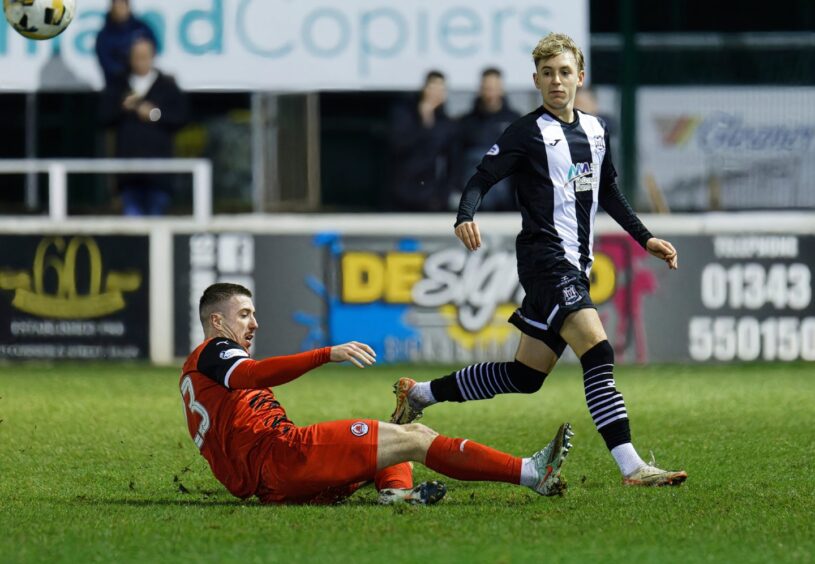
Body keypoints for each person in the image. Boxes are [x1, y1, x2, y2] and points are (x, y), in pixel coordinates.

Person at [389, 33, 688, 487]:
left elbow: (607, 191)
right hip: (545, 261)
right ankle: (632, 467)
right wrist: (464, 214)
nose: (556, 81)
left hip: (576, 266)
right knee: (599, 349)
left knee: (525, 375)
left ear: (580, 77)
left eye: (565, 72)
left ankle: (421, 394)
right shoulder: (526, 132)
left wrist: (645, 238)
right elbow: (481, 177)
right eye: (547, 73)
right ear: (535, 80)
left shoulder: (597, 130)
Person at [180, 283, 575, 505]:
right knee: (417, 439)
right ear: (217, 321)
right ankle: (530, 472)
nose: (255, 322)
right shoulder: (214, 352)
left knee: (393, 440)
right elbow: (251, 374)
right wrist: (325, 353)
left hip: (273, 479)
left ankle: (397, 496)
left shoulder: (200, 369)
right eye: (244, 314)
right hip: (282, 458)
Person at [100, 37, 187, 216]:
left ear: (153, 57)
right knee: (134, 234)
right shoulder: (119, 85)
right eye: (136, 56)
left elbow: (181, 118)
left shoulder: (167, 86)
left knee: (157, 228)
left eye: (144, 56)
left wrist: (154, 114)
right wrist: (122, 108)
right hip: (128, 176)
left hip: (159, 176)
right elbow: (102, 118)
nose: (140, 61)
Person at [386, 70, 458, 212]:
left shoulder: (448, 125)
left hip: (431, 197)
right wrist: (424, 124)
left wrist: (442, 196)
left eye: (440, 89)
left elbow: (453, 165)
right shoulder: (404, 115)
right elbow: (398, 146)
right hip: (401, 193)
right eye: (432, 87)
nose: (435, 93)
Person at [454, 68, 520, 211]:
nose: (490, 93)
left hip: (507, 204)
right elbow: (456, 161)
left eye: (494, 88)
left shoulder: (515, 121)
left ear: (501, 90)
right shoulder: (466, 122)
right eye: (487, 88)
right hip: (474, 203)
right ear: (480, 90)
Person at [95, 0, 158, 87]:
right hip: (117, 87)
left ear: (128, 7)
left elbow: (153, 48)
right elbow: (107, 63)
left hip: (145, 84)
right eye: (116, 7)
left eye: (122, 6)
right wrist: (128, 72)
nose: (119, 10)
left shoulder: (141, 29)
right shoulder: (104, 36)